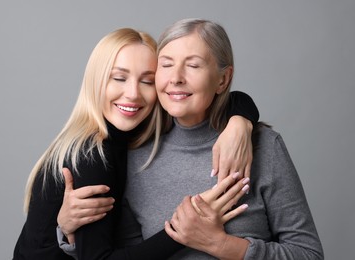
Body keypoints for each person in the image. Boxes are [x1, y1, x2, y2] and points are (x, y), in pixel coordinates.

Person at [57, 18, 324, 259]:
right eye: (166, 65)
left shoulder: (263, 147)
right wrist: (69, 232)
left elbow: (309, 254)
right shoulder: (136, 154)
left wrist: (220, 244)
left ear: (223, 79)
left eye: (193, 65)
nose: (176, 78)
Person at [13, 27, 259, 259]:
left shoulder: (130, 135)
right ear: (96, 82)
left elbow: (229, 98)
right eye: (119, 78)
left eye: (147, 81)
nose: (132, 93)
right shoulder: (93, 156)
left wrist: (240, 123)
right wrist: (182, 230)